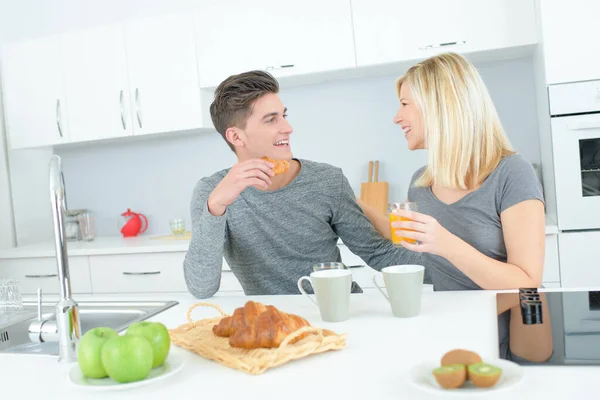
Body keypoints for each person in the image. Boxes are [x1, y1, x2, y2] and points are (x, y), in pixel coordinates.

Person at [183, 70, 420, 299]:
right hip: (273, 324)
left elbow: (377, 252)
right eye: (271, 120)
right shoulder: (212, 193)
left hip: (337, 312)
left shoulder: (327, 180)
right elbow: (201, 287)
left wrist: (452, 264)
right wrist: (216, 207)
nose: (288, 128)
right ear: (236, 137)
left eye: (284, 115)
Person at [358, 52, 545, 291]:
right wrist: (345, 195)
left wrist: (445, 244)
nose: (397, 117)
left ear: (440, 107)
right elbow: (397, 234)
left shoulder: (512, 173)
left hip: (498, 323)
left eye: (405, 104)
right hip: (448, 320)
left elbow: (527, 281)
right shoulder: (421, 182)